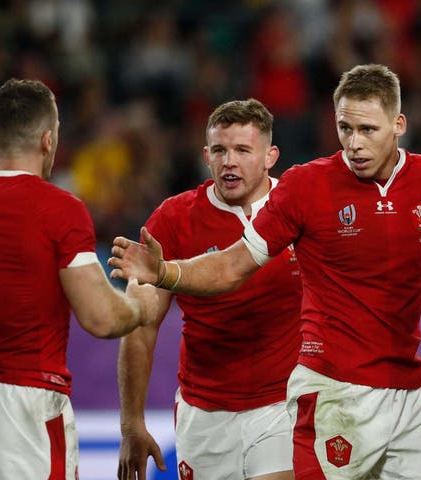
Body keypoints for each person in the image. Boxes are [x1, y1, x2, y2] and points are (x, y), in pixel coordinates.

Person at [110, 64, 421, 479]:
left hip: (315, 402)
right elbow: (222, 272)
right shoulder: (286, 193)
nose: (355, 143)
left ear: (398, 124)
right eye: (345, 128)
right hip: (237, 406)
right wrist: (165, 273)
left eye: (367, 129)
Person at [0, 78, 159, 480]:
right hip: (23, 400)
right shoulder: (57, 208)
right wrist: (141, 304)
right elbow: (101, 318)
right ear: (48, 140)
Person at [116, 99, 302, 480]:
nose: (228, 161)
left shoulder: (299, 208)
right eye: (219, 150)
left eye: (242, 150)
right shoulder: (173, 219)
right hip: (204, 414)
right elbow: (142, 325)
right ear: (206, 155)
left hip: (284, 407)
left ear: (270, 156)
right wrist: (131, 423)